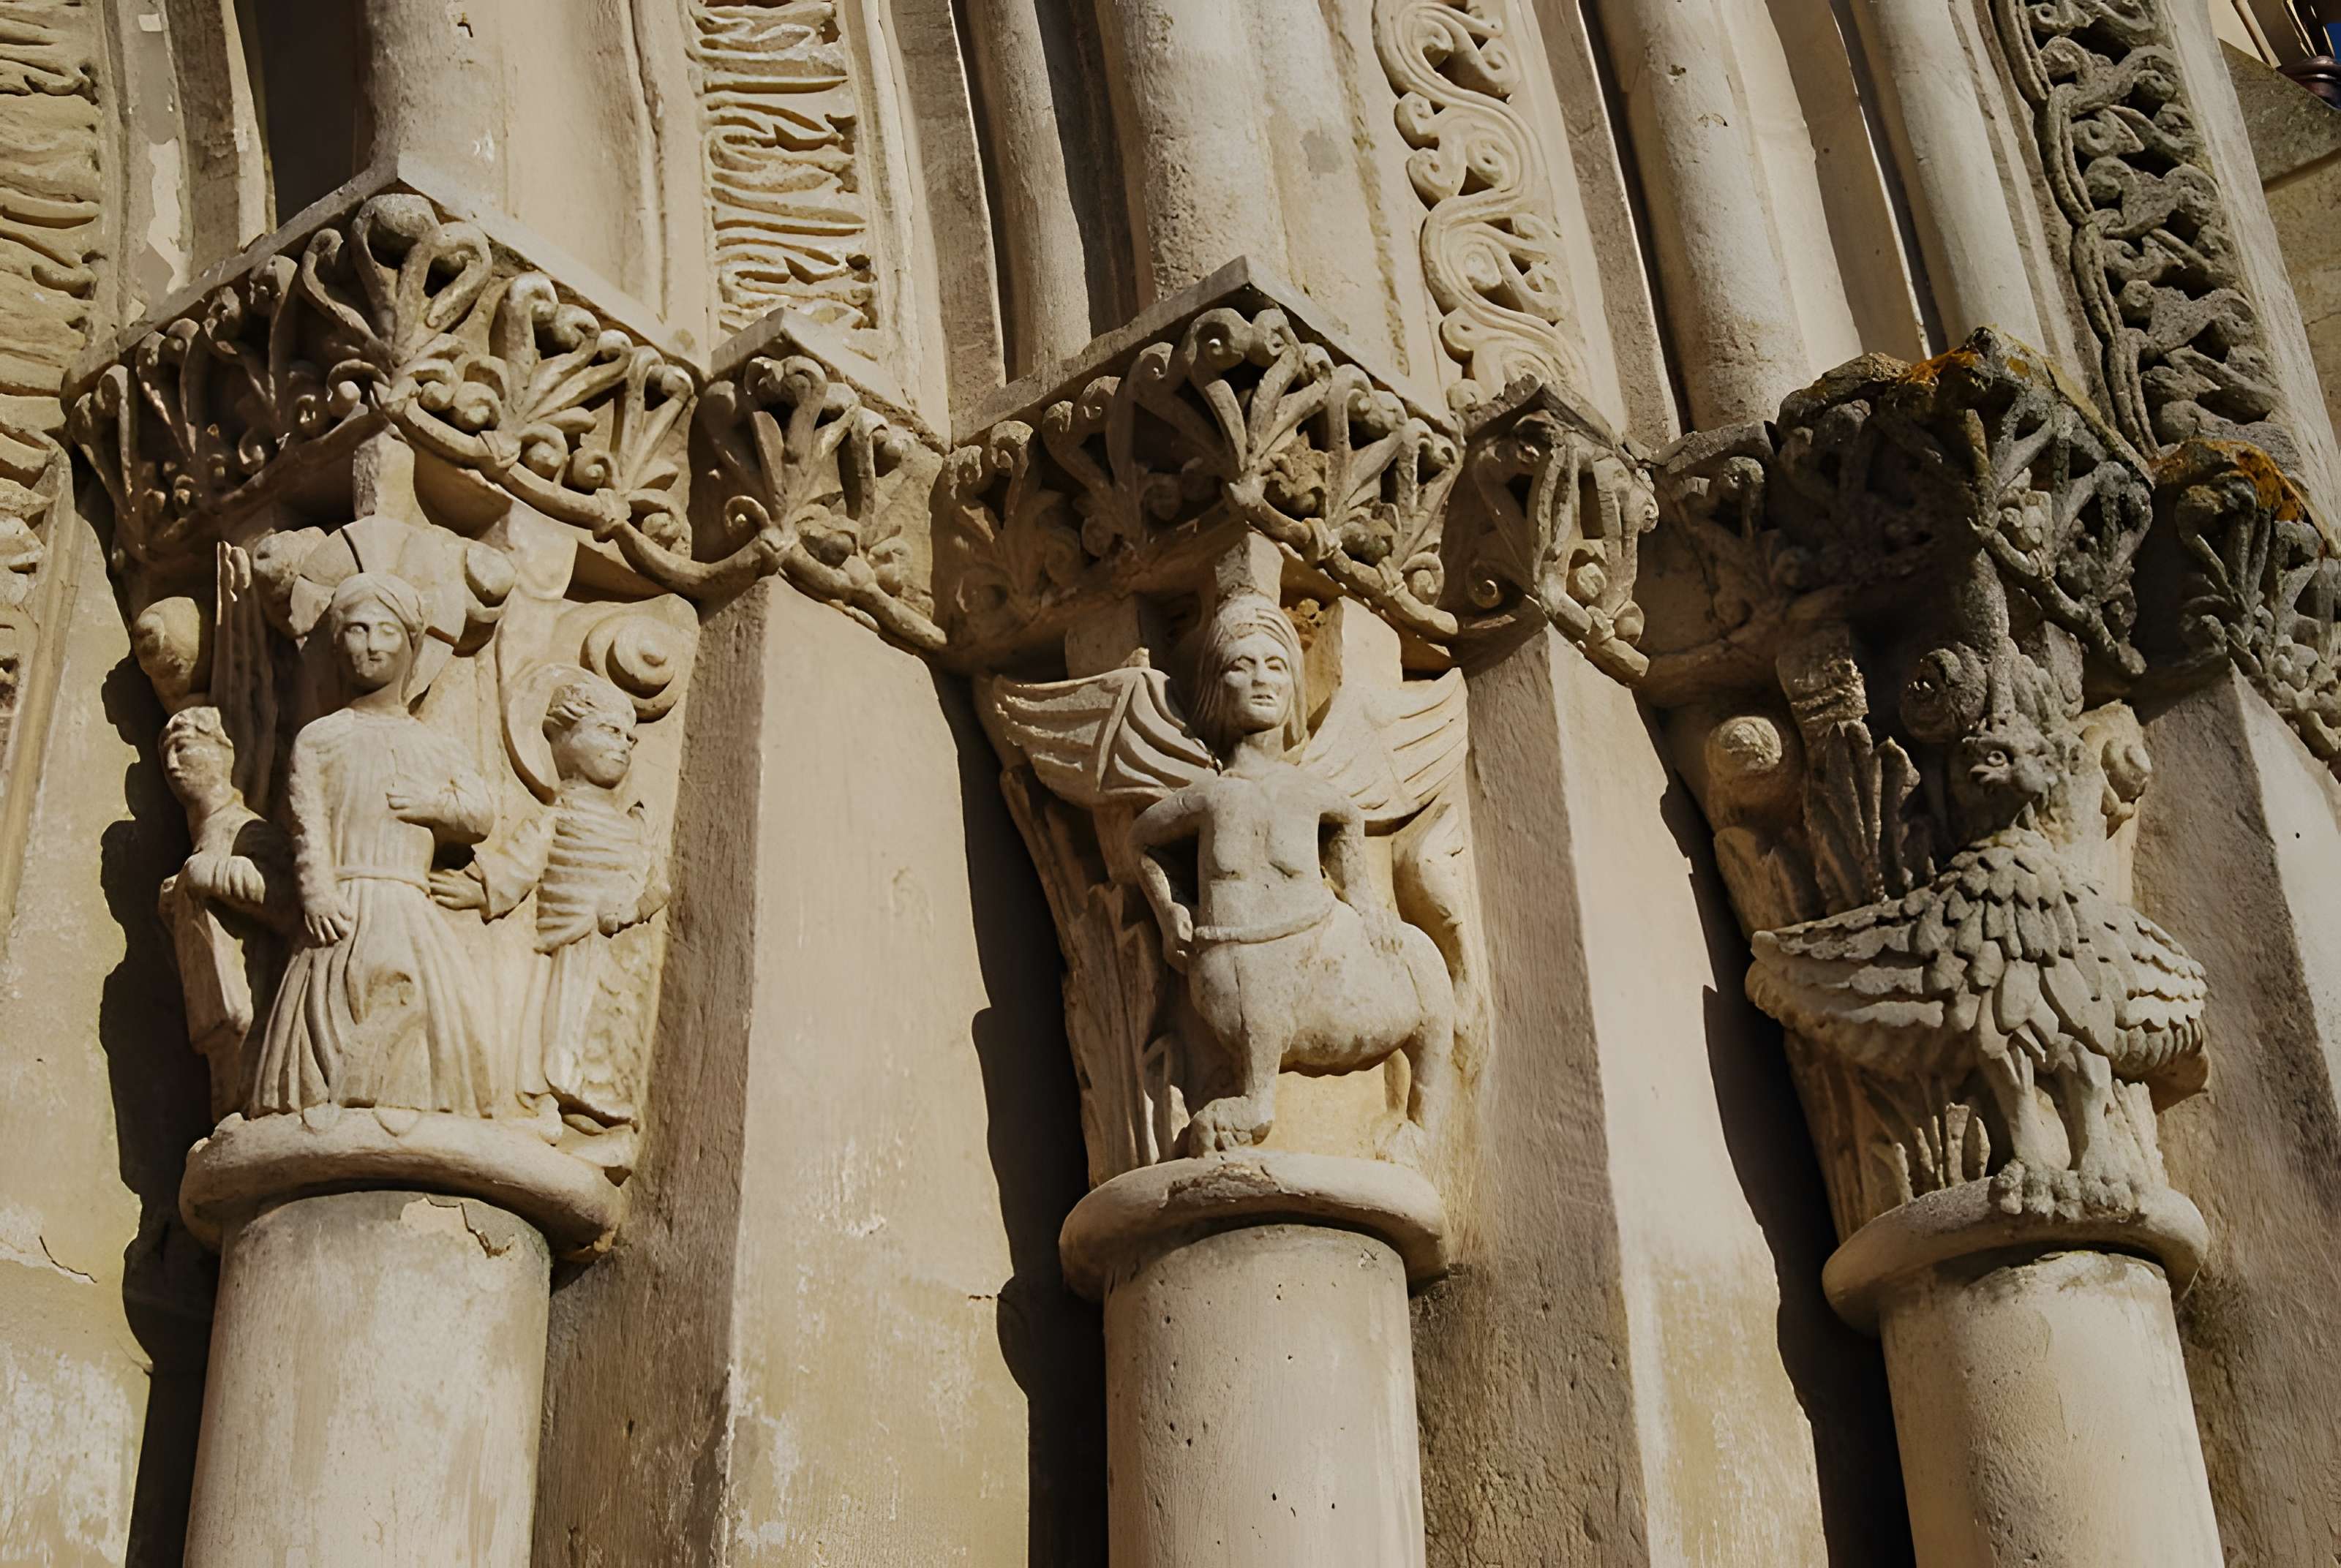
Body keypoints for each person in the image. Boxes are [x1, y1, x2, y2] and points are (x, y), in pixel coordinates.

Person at [1129, 590, 1451, 1157]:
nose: (1262, 680)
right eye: (1241, 665)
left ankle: (1403, 1124)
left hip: (1309, 947)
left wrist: (1372, 912)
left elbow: (1351, 845)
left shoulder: (1317, 794)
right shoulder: (1207, 798)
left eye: (1277, 666)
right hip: (1226, 950)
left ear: (1295, 686)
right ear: (1215, 687)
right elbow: (1142, 843)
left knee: (1412, 969)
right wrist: (1170, 911)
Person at [249, 571, 500, 1116]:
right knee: (326, 1014)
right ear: (336, 645)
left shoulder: (434, 744)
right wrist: (316, 892)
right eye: (356, 631)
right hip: (345, 900)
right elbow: (305, 820)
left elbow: (481, 814)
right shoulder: (321, 737)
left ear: (412, 646)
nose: (371, 645)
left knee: (425, 1007)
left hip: (408, 900)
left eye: (386, 631)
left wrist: (433, 806)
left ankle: (414, 1105)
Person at [432, 670, 666, 1131]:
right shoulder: (556, 817)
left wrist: (639, 905)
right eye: (608, 730)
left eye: (629, 738)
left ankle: (608, 1123)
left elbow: (653, 882)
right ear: (560, 737)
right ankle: (547, 1107)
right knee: (559, 1031)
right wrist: (481, 890)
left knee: (615, 1034)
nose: (622, 745)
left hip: (621, 956)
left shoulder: (637, 825)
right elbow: (521, 864)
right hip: (571, 946)